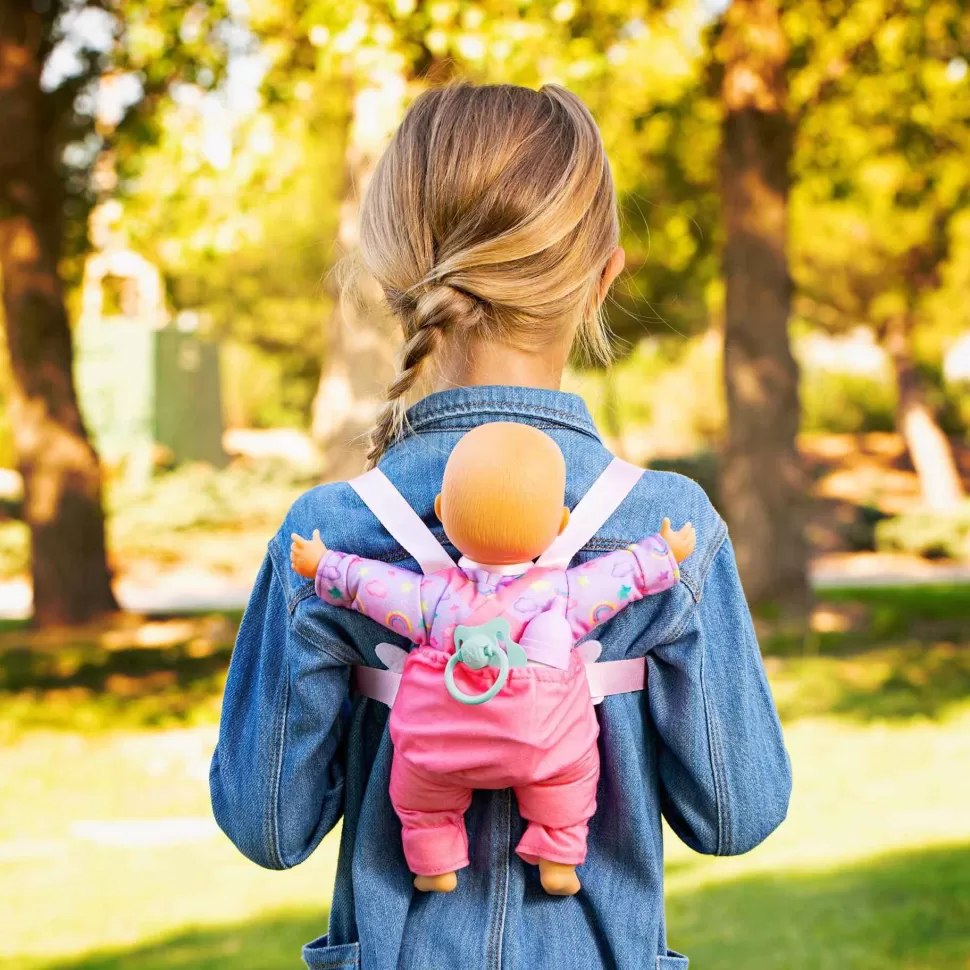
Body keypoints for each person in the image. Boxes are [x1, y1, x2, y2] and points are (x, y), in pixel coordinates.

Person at [210, 83, 791, 970]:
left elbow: (269, 826)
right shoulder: (668, 530)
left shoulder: (327, 536)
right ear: (603, 277)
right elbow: (737, 812)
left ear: (396, 278)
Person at [289, 422, 696, 896]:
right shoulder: (560, 594)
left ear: (442, 512)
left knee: (420, 801)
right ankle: (558, 857)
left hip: (441, 749)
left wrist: (324, 565)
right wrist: (662, 554)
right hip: (542, 746)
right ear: (562, 525)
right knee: (571, 779)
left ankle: (433, 862)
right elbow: (616, 577)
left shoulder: (433, 598)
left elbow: (372, 587)